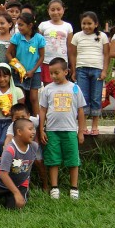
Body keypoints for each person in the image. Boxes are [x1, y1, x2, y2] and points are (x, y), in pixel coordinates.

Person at [39, 57, 86, 200]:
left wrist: (81, 131)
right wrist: (41, 129)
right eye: (51, 73)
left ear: (66, 72)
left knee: (73, 159)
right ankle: (54, 187)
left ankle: (74, 187)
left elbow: (80, 111)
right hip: (52, 131)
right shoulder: (47, 89)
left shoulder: (74, 88)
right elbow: (42, 110)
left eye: (56, 73)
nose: (53, 76)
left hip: (70, 130)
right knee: (53, 159)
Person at [0, 118, 37, 209]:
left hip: (20, 183)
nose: (33, 132)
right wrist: (16, 193)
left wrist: (19, 190)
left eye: (33, 129)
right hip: (0, 182)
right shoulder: (10, 150)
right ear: (19, 132)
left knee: (15, 208)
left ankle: (12, 194)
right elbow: (3, 174)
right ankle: (8, 192)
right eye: (30, 129)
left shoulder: (34, 147)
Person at [69, 11, 110, 136]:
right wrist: (74, 70)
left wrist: (104, 71)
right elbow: (73, 54)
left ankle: (95, 125)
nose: (86, 26)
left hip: (97, 70)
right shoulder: (77, 36)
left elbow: (107, 54)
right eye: (83, 23)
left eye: (89, 24)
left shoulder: (102, 36)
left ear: (96, 24)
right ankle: (83, 126)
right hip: (81, 70)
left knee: (96, 97)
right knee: (83, 98)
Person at [6, 12, 45, 116]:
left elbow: (41, 57)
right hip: (18, 73)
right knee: (20, 97)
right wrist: (16, 67)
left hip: (35, 72)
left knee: (33, 98)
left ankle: (37, 122)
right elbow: (8, 53)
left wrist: (33, 70)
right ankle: (19, 118)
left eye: (21, 25)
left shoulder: (39, 38)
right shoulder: (17, 37)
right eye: (18, 25)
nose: (19, 27)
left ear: (30, 25)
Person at [4, 103, 48, 192]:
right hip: (20, 150)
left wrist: (39, 134)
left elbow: (41, 123)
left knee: (39, 161)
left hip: (33, 146)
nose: (20, 120)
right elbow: (8, 138)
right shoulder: (12, 126)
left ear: (28, 116)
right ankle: (22, 185)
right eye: (17, 118)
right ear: (12, 119)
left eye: (23, 117)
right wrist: (5, 151)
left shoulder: (34, 121)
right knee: (18, 165)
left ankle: (45, 184)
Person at [0, 64, 24, 158]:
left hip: (11, 121)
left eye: (5, 76)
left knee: (3, 142)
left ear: (10, 76)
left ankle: (3, 165)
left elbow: (22, 110)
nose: (2, 79)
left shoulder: (17, 91)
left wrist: (10, 112)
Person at [38, 0, 73, 86]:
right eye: (52, 10)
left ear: (63, 10)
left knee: (61, 86)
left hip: (62, 63)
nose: (55, 12)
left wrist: (71, 65)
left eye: (58, 9)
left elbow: (70, 47)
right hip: (46, 62)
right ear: (48, 11)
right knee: (48, 87)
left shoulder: (68, 26)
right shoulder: (43, 25)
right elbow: (37, 44)